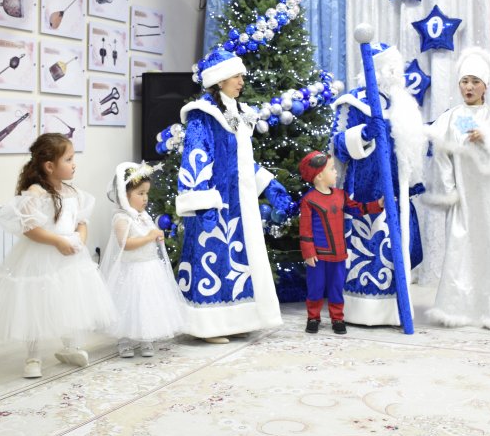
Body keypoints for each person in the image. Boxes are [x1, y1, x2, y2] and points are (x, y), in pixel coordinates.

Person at [0, 134, 116, 378]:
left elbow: (81, 221)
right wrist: (57, 241)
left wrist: (80, 239)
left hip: (70, 257)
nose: (74, 164)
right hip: (41, 255)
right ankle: (33, 355)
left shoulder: (73, 192)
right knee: (35, 304)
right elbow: (29, 228)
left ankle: (70, 346)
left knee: (70, 300)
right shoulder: (36, 192)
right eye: (68, 159)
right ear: (50, 166)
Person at [176, 48, 294, 343]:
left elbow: (240, 161)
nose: (242, 81)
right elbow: (196, 157)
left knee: (239, 260)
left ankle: (236, 319)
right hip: (215, 202)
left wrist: (268, 185)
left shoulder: (239, 114)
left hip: (240, 203)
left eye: (242, 75)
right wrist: (202, 201)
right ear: (220, 80)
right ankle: (209, 326)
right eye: (236, 76)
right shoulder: (203, 115)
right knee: (213, 258)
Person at [425, 46, 490, 329]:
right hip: (464, 194)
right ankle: (460, 308)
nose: (469, 87)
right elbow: (441, 155)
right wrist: (450, 189)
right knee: (463, 245)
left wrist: (488, 138)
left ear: (485, 85)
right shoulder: (450, 118)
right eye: (464, 81)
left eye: (475, 81)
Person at [331, 43, 426, 326]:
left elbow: (409, 148)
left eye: (398, 67)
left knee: (398, 249)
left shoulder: (402, 102)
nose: (396, 73)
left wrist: (412, 182)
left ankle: (394, 311)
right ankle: (362, 310)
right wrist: (363, 134)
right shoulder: (354, 101)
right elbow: (337, 145)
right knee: (368, 245)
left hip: (396, 190)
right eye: (391, 67)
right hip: (365, 186)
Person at [100, 162, 186, 358]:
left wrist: (157, 236)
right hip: (131, 270)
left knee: (149, 304)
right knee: (129, 306)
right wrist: (149, 237)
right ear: (125, 195)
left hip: (150, 268)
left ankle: (146, 337)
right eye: (140, 193)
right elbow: (126, 244)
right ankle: (124, 339)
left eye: (146, 193)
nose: (145, 198)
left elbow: (151, 234)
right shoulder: (122, 218)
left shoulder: (143, 216)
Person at [297, 151, 383, 335]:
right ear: (319, 176)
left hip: (338, 254)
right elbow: (305, 229)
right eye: (332, 169)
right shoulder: (309, 200)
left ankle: (337, 318)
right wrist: (308, 252)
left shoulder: (340, 195)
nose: (336, 172)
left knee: (336, 287)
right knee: (315, 287)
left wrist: (378, 204)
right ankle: (313, 317)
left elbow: (357, 209)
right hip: (318, 256)